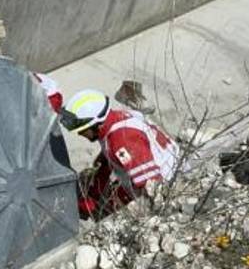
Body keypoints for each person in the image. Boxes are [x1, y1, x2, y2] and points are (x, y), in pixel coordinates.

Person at [60, 89, 180, 219]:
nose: (80, 134)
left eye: (82, 130)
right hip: (162, 170)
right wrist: (91, 198)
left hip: (169, 186)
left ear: (95, 124)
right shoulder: (115, 120)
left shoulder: (122, 140)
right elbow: (107, 166)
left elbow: (152, 186)